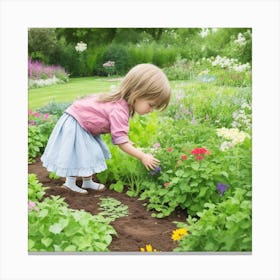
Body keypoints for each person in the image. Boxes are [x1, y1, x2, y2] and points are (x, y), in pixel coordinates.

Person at [41, 63, 171, 194]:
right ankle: (70, 183)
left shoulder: (120, 103)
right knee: (79, 154)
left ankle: (87, 182)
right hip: (77, 122)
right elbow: (121, 142)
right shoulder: (120, 109)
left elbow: (119, 133)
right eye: (151, 105)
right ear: (137, 94)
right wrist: (143, 156)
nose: (151, 110)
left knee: (91, 153)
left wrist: (126, 141)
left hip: (84, 123)